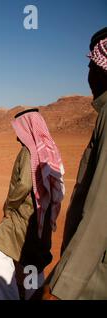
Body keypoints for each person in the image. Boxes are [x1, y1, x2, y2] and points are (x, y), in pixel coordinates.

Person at [47, 28, 107, 300]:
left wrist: (62, 288)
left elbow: (100, 211)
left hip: (93, 278)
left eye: (91, 65)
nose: (89, 74)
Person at [0, 109, 65, 300]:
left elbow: (25, 184)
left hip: (25, 215)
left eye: (19, 130)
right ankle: (32, 297)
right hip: (42, 218)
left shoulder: (28, 151)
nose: (17, 136)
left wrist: (9, 205)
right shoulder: (48, 148)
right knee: (33, 263)